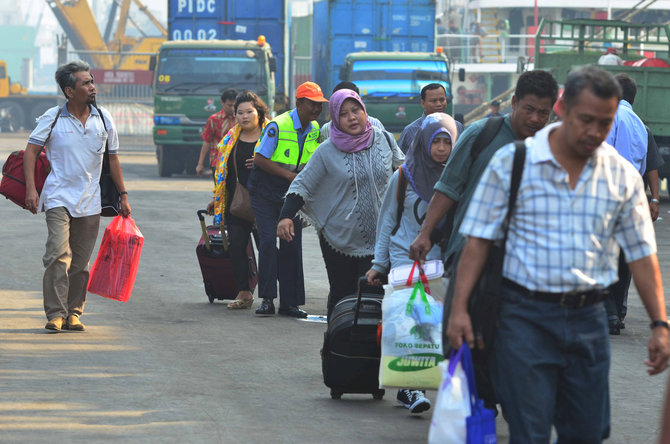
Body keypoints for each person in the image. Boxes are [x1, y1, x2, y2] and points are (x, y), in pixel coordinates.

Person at [446, 65, 669, 443]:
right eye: (586, 120)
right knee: (529, 431)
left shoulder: (621, 176)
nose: (595, 132)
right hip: (523, 318)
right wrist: (459, 309)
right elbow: (478, 242)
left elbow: (641, 254)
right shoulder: (514, 164)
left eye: (605, 122)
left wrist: (660, 324)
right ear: (563, 108)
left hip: (589, 322)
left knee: (586, 433)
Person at [409, 70, 557, 411]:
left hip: (524, 261)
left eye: (543, 113)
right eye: (529, 109)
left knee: (514, 336)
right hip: (470, 251)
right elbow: (448, 187)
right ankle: (478, 400)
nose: (535, 119)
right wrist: (425, 232)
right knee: (463, 333)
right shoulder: (482, 134)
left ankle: (494, 398)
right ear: (514, 102)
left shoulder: (551, 146)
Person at [23, 60, 131, 332]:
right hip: (58, 197)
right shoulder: (53, 117)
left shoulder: (104, 119)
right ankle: (55, 314)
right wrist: (31, 189)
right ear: (69, 91)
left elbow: (113, 159)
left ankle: (74, 313)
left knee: (81, 264)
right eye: (86, 83)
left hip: (90, 201)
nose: (93, 87)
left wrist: (124, 195)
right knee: (58, 255)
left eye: (92, 81)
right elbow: (31, 152)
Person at [277, 89, 404, 317]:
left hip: (382, 237)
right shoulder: (327, 150)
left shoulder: (383, 139)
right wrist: (286, 216)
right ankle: (335, 347)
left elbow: (404, 172)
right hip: (339, 239)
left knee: (376, 299)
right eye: (344, 114)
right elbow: (302, 185)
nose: (352, 117)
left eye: (355, 111)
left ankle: (370, 351)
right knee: (342, 297)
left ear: (364, 111)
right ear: (335, 118)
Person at [366, 113, 458, 415]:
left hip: (440, 266)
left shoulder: (456, 180)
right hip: (405, 262)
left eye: (447, 142)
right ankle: (409, 387)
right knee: (408, 323)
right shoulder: (403, 176)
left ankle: (432, 381)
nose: (442, 148)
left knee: (435, 326)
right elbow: (388, 220)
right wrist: (379, 264)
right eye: (437, 141)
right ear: (423, 142)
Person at [249, 81, 328, 318]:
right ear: (299, 103)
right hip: (266, 191)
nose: (317, 109)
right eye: (312, 104)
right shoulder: (278, 125)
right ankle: (267, 300)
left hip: (293, 193)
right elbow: (261, 159)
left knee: (292, 245)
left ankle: (289, 303)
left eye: (319, 105)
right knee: (267, 244)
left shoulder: (314, 129)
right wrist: (291, 176)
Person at [206, 91, 269, 309]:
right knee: (237, 246)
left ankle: (269, 296)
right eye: (239, 112)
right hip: (237, 203)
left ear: (259, 112)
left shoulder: (272, 135)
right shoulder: (230, 139)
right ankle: (244, 293)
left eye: (249, 111)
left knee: (267, 248)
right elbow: (223, 172)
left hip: (266, 203)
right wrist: (217, 199)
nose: (244, 116)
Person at [604, 73, 649, 335]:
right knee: (622, 258)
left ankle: (609, 313)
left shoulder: (611, 118)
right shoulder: (639, 124)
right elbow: (642, 164)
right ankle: (617, 312)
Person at [397, 83, 463, 154]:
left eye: (442, 100)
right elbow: (399, 161)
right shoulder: (411, 131)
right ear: (423, 103)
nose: (439, 104)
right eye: (433, 101)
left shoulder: (457, 127)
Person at [318, 81, 386, 143]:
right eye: (343, 113)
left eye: (355, 110)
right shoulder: (327, 129)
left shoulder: (375, 125)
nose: (351, 118)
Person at [196, 89, 237, 179]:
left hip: (236, 161)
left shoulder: (241, 119)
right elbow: (206, 142)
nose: (232, 108)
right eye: (229, 105)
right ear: (222, 102)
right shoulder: (214, 119)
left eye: (234, 105)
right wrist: (200, 164)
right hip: (217, 161)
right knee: (220, 191)